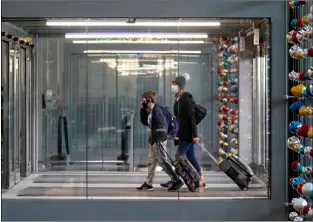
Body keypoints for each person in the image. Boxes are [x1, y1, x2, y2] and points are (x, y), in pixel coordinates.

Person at [137, 91, 183, 191]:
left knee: (163, 161)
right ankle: (148, 183)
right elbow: (145, 122)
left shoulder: (157, 110)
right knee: (151, 162)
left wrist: (159, 141)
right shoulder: (152, 111)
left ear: (149, 100)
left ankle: (176, 180)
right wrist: (142, 110)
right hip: (153, 140)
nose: (142, 102)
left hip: (158, 140)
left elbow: (163, 127)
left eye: (144, 100)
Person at [169, 74, 206, 190]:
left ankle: (176, 180)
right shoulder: (178, 98)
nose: (172, 86)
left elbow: (192, 118)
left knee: (178, 157)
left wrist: (195, 135)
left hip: (187, 134)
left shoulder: (186, 98)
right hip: (182, 133)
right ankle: (200, 179)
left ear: (180, 86)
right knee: (191, 156)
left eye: (174, 84)